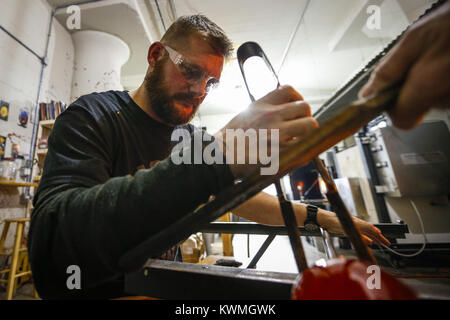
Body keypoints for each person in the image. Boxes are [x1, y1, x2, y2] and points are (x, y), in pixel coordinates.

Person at [28, 14, 396, 300]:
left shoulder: (189, 138)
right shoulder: (93, 116)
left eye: (211, 82)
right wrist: (214, 158)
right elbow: (55, 245)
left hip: (159, 286)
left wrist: (323, 217)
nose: (199, 91)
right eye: (190, 71)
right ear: (156, 55)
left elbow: (242, 198)